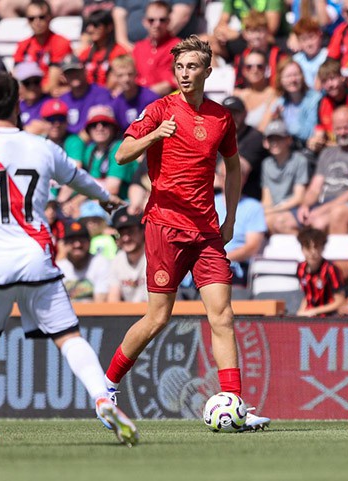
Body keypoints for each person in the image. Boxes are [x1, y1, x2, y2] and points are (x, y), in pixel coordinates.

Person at [0, 72, 137, 448]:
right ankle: (103, 398)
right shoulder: (41, 147)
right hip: (37, 260)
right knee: (68, 337)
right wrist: (106, 198)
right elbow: (78, 177)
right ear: (19, 102)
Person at [103, 36, 270, 431]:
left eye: (192, 67)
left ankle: (235, 405)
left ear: (208, 71)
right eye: (179, 67)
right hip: (164, 227)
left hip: (207, 231)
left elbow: (233, 168)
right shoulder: (159, 108)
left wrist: (228, 220)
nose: (184, 73)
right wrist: (153, 136)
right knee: (158, 317)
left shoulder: (219, 118)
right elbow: (121, 154)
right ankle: (107, 386)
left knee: (223, 316)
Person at [297, 106, 348, 233]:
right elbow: (315, 188)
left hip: (345, 204)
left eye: (347, 128)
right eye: (339, 128)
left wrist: (322, 210)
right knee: (282, 221)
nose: (343, 132)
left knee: (318, 224)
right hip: (321, 203)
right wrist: (305, 206)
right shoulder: (327, 153)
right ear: (332, 129)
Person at [214, 157, 266, 290]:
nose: (226, 181)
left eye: (231, 176)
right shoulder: (208, 203)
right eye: (223, 176)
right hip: (206, 263)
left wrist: (220, 258)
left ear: (243, 178)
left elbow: (252, 247)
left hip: (234, 266)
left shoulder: (253, 207)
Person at [12, 0, 72, 95]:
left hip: (48, 97)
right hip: (28, 97)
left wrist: (29, 94)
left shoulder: (60, 42)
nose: (37, 22)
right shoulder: (23, 45)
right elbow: (15, 77)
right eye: (31, 18)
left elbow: (52, 85)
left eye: (42, 17)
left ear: (50, 17)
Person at [261, 120, 309, 235]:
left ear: (288, 140)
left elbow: (299, 197)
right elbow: (266, 197)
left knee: (278, 222)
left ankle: (304, 246)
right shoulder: (266, 164)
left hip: (294, 210)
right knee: (260, 222)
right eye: (271, 139)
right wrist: (266, 211)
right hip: (274, 211)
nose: (274, 143)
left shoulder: (299, 160)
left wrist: (272, 210)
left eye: (279, 139)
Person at [260, 58, 322, 146]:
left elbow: (308, 133)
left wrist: (283, 123)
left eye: (296, 75)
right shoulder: (280, 102)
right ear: (280, 80)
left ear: (302, 76)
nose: (293, 80)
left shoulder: (314, 99)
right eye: (288, 76)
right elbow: (265, 129)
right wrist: (275, 120)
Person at [131, 1, 180, 96]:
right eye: (151, 20)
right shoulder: (138, 47)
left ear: (169, 21)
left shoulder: (178, 46)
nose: (157, 24)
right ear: (144, 22)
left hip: (166, 99)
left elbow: (183, 78)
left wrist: (169, 83)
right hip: (138, 99)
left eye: (162, 20)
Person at [295, 227, 346, 317]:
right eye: (308, 248)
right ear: (302, 249)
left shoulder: (331, 269)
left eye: (317, 247)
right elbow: (308, 296)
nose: (313, 252)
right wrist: (300, 313)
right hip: (309, 317)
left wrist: (314, 311)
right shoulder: (300, 268)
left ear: (323, 248)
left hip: (329, 318)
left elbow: (340, 301)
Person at [58, 55, 113, 135]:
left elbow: (102, 123)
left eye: (76, 71)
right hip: (67, 141)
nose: (73, 75)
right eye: (68, 73)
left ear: (84, 70)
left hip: (93, 141)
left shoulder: (101, 93)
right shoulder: (63, 99)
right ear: (64, 77)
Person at [58, 220, 112, 300]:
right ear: (65, 244)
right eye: (72, 240)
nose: (77, 244)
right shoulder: (58, 268)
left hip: (92, 312)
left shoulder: (100, 263)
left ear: (89, 242)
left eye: (82, 240)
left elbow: (100, 304)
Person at [109, 55, 160, 131]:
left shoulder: (151, 99)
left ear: (136, 73)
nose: (126, 79)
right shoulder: (115, 104)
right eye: (120, 75)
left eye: (130, 74)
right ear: (114, 77)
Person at [78, 10, 128, 88]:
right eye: (89, 25)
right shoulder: (85, 54)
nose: (90, 29)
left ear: (109, 27)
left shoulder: (119, 52)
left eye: (96, 25)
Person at [231, 49, 277, 130]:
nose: (255, 70)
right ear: (244, 71)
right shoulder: (237, 96)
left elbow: (262, 129)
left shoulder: (274, 96)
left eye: (260, 66)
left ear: (266, 69)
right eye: (249, 67)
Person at [107, 209, 146, 302]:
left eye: (131, 232)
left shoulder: (155, 257)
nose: (126, 238)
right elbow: (113, 300)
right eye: (121, 233)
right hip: (130, 315)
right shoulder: (117, 261)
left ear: (143, 231)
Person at [291, 18, 328, 90]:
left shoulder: (327, 55)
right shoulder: (295, 61)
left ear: (319, 35)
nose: (309, 44)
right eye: (304, 39)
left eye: (311, 37)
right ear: (298, 41)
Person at [14, 62, 49, 134]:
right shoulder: (16, 106)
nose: (32, 86)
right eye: (27, 83)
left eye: (36, 81)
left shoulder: (49, 102)